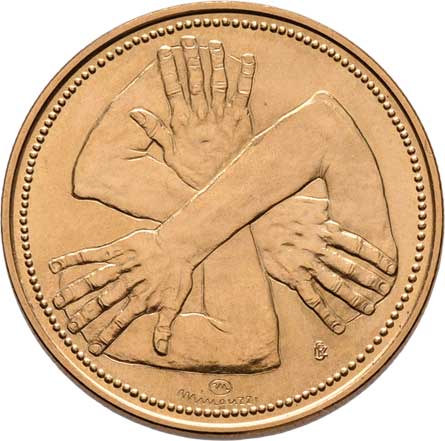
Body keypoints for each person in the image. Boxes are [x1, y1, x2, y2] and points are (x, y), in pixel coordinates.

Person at [49, 37, 397, 373]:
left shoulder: (354, 272)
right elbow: (250, 346)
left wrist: (179, 239)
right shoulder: (95, 304)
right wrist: (241, 214)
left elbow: (326, 125)